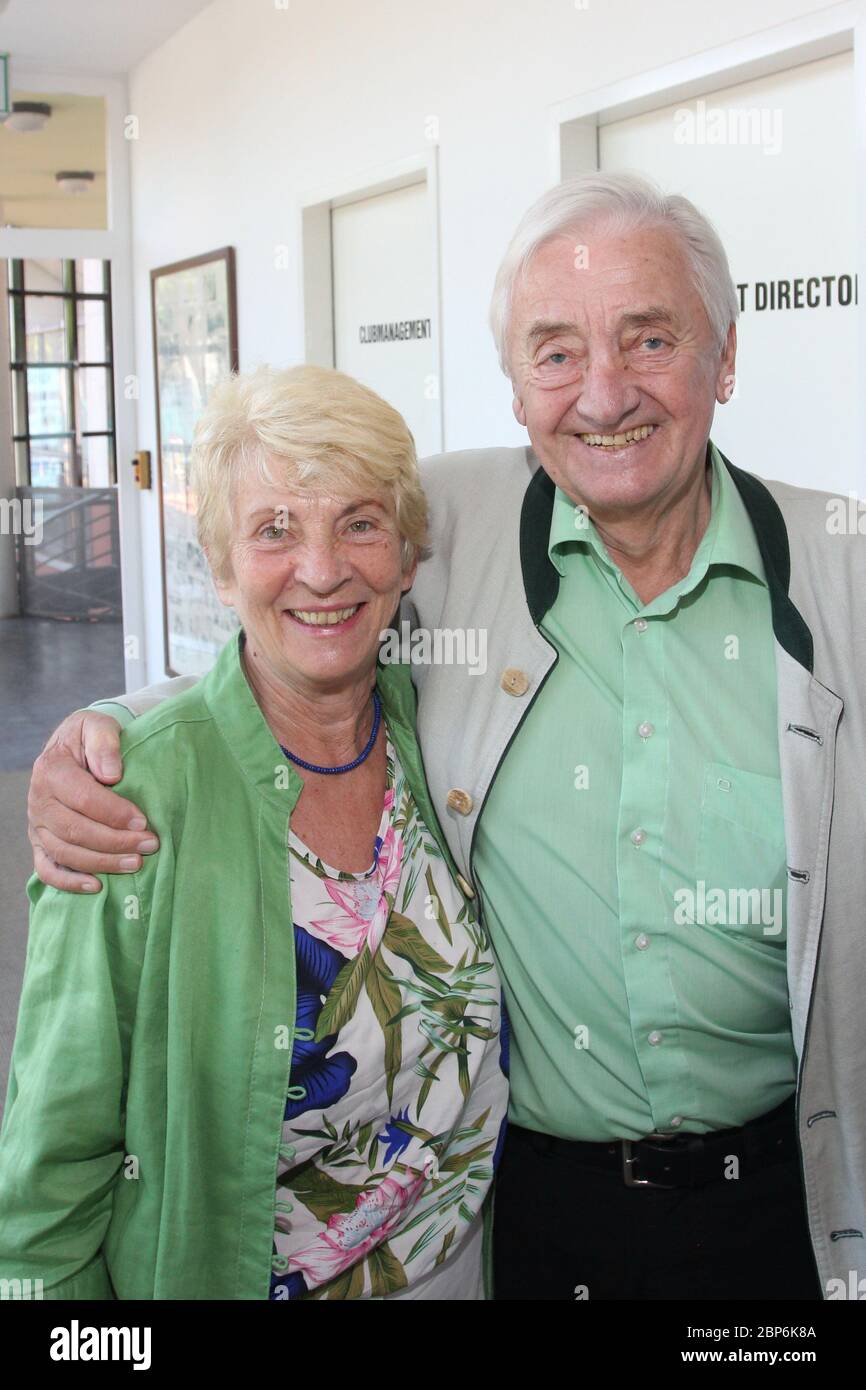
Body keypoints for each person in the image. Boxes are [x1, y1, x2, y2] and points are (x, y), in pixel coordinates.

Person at [26, 173, 866, 1301]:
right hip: (537, 1220)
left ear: (722, 356)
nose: (603, 393)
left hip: (786, 1204)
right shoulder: (453, 522)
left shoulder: (840, 567)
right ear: (516, 388)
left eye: (649, 338)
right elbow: (296, 603)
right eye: (555, 351)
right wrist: (102, 734)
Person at [0, 364, 508, 1300]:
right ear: (223, 568)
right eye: (274, 530)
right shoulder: (129, 796)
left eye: (358, 522)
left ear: (404, 553)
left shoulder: (435, 729)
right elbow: (49, 1181)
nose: (321, 569)